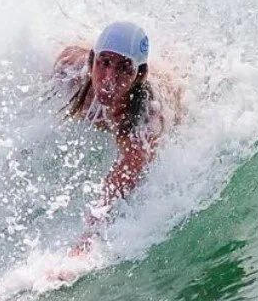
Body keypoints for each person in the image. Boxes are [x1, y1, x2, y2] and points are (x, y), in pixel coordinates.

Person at [52, 21, 182, 255]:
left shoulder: (145, 124)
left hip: (170, 91)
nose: (109, 79)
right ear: (92, 61)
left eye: (124, 68)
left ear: (139, 75)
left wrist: (83, 245)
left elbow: (112, 194)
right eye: (104, 63)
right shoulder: (70, 71)